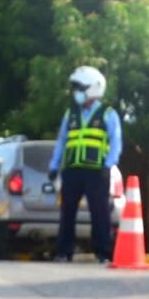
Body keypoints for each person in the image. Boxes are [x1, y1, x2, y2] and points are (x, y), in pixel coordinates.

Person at [48, 66, 122, 263]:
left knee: (100, 212)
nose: (76, 92)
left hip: (97, 171)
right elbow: (61, 141)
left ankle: (103, 253)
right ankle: (64, 251)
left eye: (80, 87)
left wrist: (108, 165)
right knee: (67, 211)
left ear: (93, 88)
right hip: (72, 170)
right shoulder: (70, 114)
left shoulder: (108, 114)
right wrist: (54, 166)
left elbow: (116, 143)